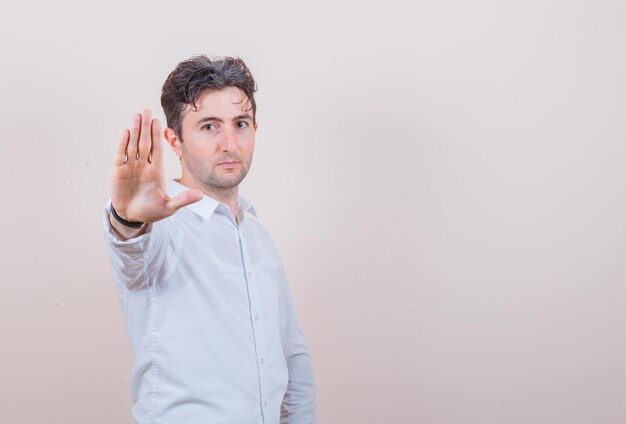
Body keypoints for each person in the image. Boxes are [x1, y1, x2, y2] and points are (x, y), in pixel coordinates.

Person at [102, 55, 316, 424]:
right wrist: (128, 220)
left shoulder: (258, 236)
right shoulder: (161, 230)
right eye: (209, 127)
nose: (230, 143)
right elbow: (131, 255)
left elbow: (291, 359)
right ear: (175, 141)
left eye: (240, 123)